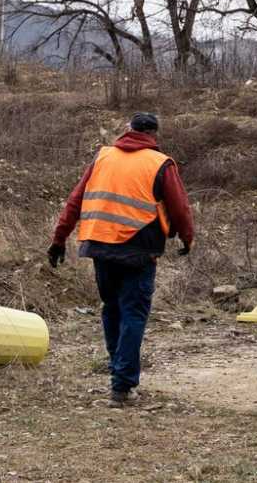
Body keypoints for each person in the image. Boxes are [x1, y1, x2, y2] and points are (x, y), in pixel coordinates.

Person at [47, 111, 195, 406]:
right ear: (154, 135)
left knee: (112, 309)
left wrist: (59, 239)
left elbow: (75, 200)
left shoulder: (103, 157)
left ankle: (119, 374)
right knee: (133, 313)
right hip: (139, 248)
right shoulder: (160, 163)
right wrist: (187, 237)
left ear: (128, 129)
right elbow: (179, 207)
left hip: (100, 245)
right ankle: (123, 385)